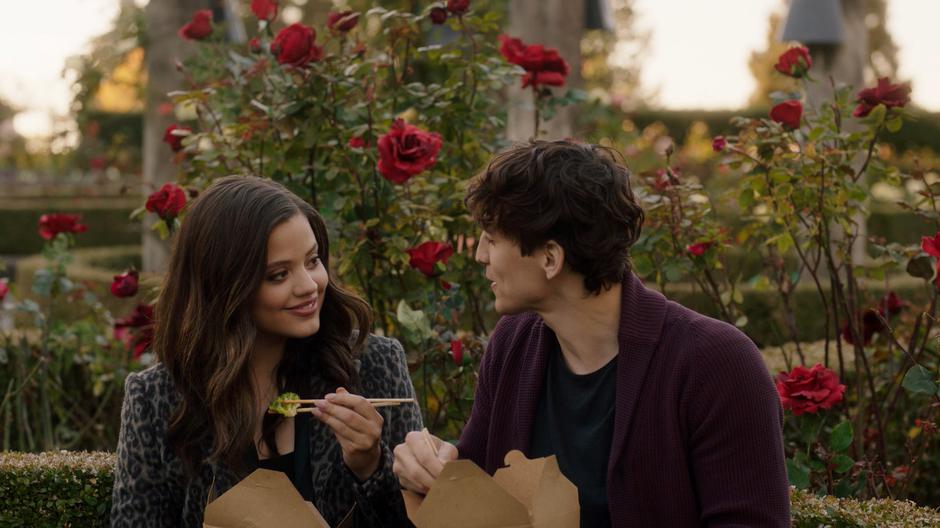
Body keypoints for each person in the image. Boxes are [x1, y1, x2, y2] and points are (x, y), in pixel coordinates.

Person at [393, 140, 791, 527]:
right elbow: (477, 482)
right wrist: (432, 468)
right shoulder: (512, 343)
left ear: (550, 258)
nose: (480, 255)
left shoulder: (717, 363)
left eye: (493, 239)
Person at [111, 176, 421, 527]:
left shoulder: (375, 367)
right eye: (278, 275)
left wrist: (369, 467)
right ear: (226, 287)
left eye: (313, 260)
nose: (308, 286)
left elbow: (420, 520)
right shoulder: (158, 399)